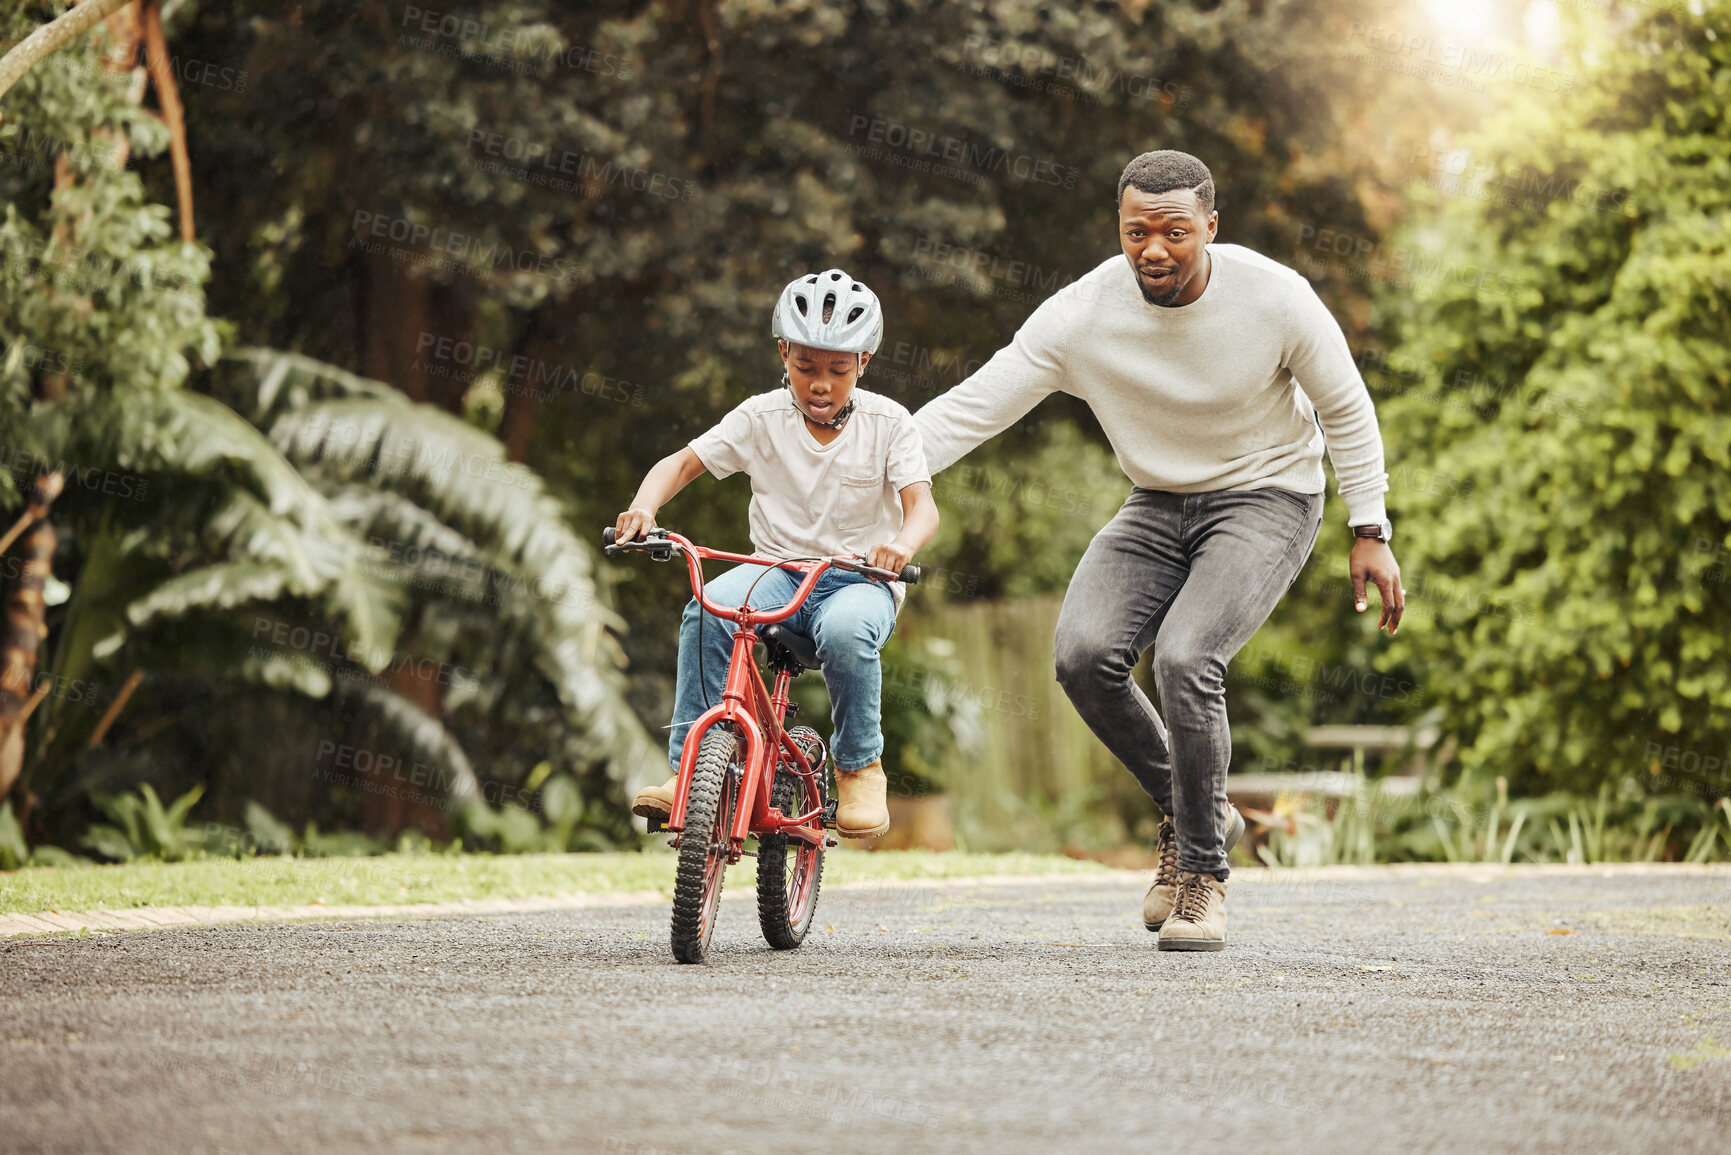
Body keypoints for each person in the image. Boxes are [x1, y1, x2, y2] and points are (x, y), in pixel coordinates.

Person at [913, 151, 1404, 951]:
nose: (1153, 249)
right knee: (1081, 654)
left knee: (1184, 656)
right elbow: (972, 407)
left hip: (1268, 495)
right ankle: (1195, 810)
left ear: (1210, 226)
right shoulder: (1082, 314)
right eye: (1136, 231)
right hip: (1155, 503)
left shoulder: (1276, 297)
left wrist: (1370, 530)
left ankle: (1203, 875)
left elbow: (1345, 410)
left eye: (1174, 231)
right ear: (1119, 228)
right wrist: (869, 471)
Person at [614, 269, 939, 838]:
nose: (821, 384)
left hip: (858, 580)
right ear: (783, 352)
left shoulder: (890, 424)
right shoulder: (760, 417)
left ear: (863, 362)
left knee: (845, 633)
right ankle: (689, 770)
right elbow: (681, 463)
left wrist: (901, 545)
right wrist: (644, 507)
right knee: (707, 608)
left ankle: (859, 767)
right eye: (806, 367)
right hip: (776, 572)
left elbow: (923, 509)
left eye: (838, 370)